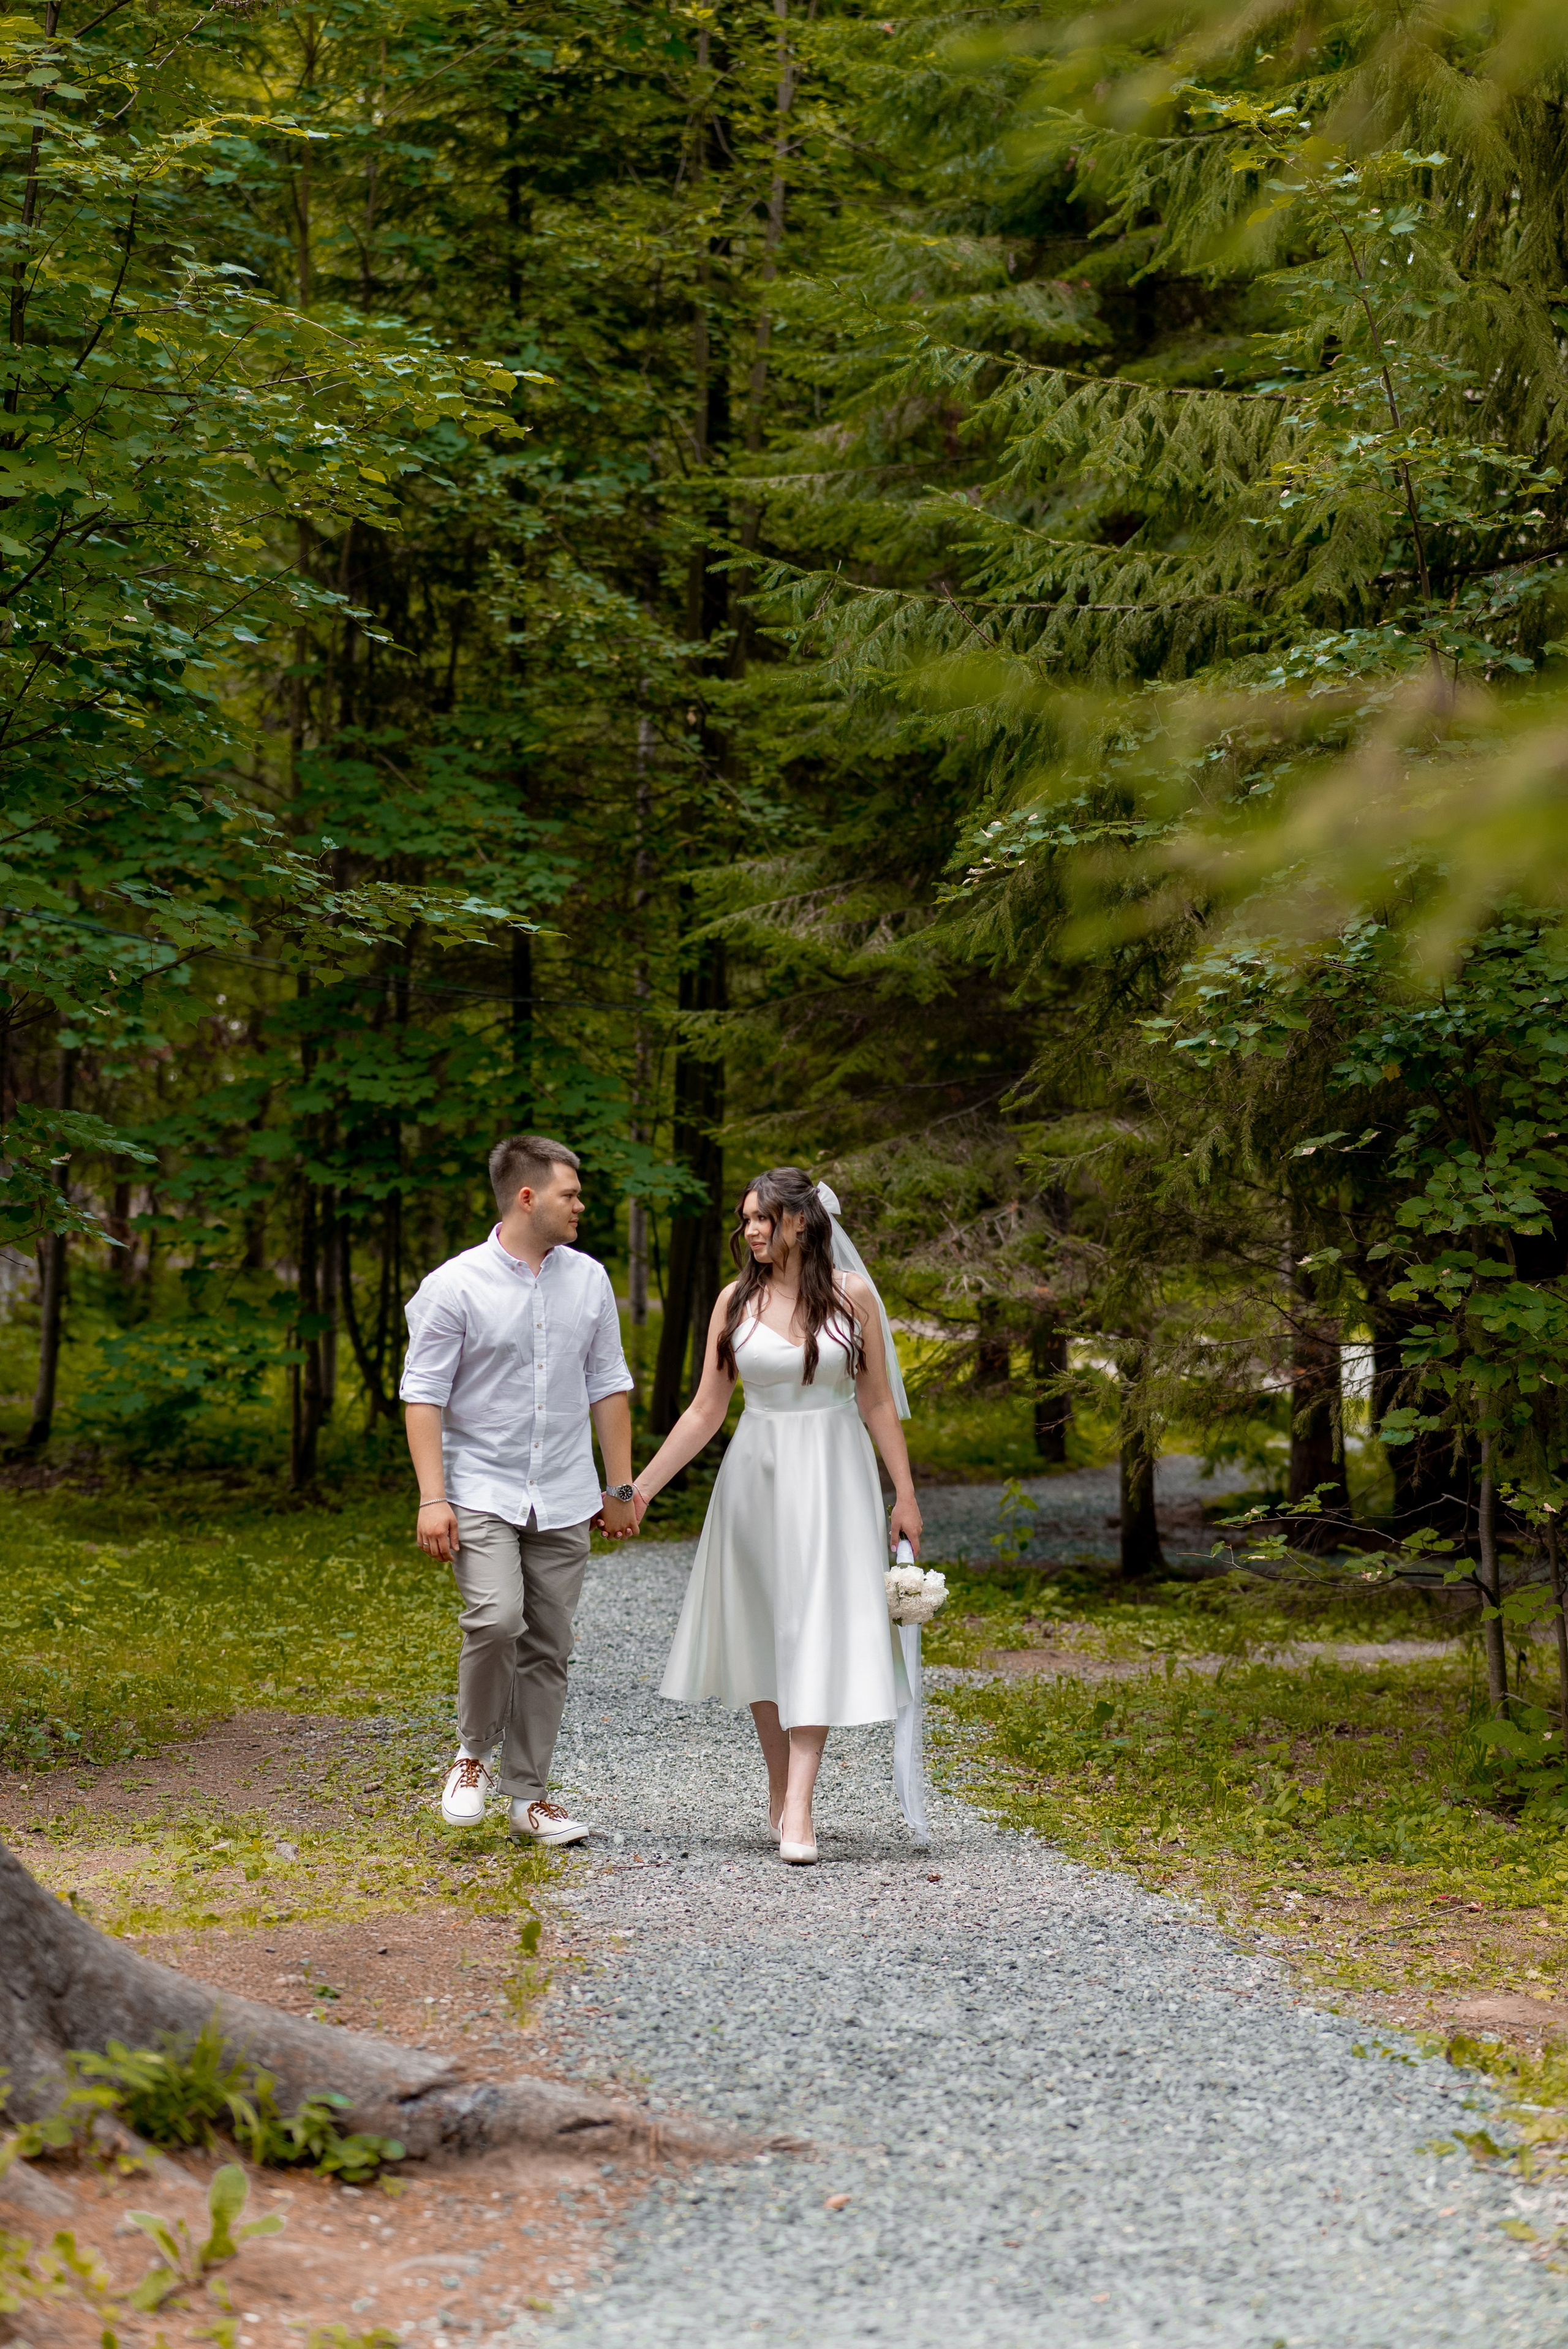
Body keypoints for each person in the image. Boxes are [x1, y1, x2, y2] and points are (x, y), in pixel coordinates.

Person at [631, 1167, 922, 1864]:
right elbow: (706, 1409)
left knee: (817, 1623)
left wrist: (904, 1494)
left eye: (763, 1218)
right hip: (754, 1479)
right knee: (765, 1628)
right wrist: (639, 1490)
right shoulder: (735, 1301)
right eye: (747, 1220)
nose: (752, 1231)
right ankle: (778, 1779)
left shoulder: (853, 1299)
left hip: (834, 1477)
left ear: (801, 1221)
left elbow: (877, 1400)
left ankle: (800, 1800)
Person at [400, 1134, 638, 1846]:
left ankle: (528, 1795)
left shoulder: (589, 1279)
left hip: (564, 1490)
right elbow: (423, 1396)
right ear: (527, 1197)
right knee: (497, 1619)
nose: (581, 1205)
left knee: (549, 1645)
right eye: (570, 1193)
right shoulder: (454, 1286)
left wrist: (618, 1484)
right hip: (480, 1486)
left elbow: (609, 1383)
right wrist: (431, 1497)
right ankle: (472, 1755)